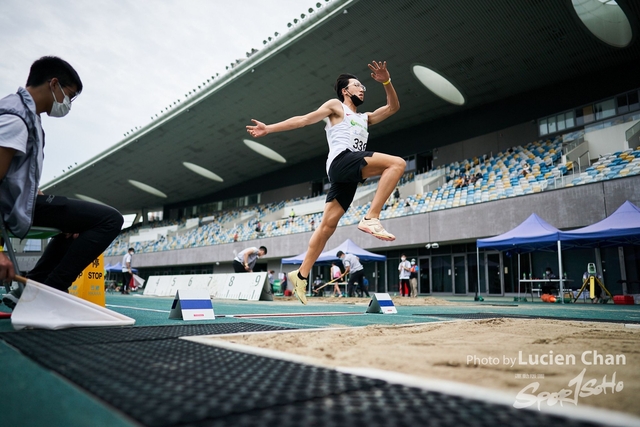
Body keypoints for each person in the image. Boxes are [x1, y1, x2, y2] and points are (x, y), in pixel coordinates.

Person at [247, 61, 403, 304]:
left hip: (348, 175)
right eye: (357, 85)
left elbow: (393, 107)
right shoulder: (336, 107)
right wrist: (269, 128)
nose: (362, 89)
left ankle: (301, 274)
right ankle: (372, 217)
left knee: (327, 227)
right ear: (344, 90)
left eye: (364, 86)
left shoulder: (365, 118)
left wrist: (386, 81)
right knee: (397, 163)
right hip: (342, 162)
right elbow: (304, 119)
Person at [0, 56, 124, 310]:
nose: (68, 104)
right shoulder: (15, 118)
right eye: (70, 95)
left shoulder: (27, 113)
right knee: (110, 219)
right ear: (53, 84)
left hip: (23, 203)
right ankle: (49, 295)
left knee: (81, 224)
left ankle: (32, 289)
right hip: (11, 209)